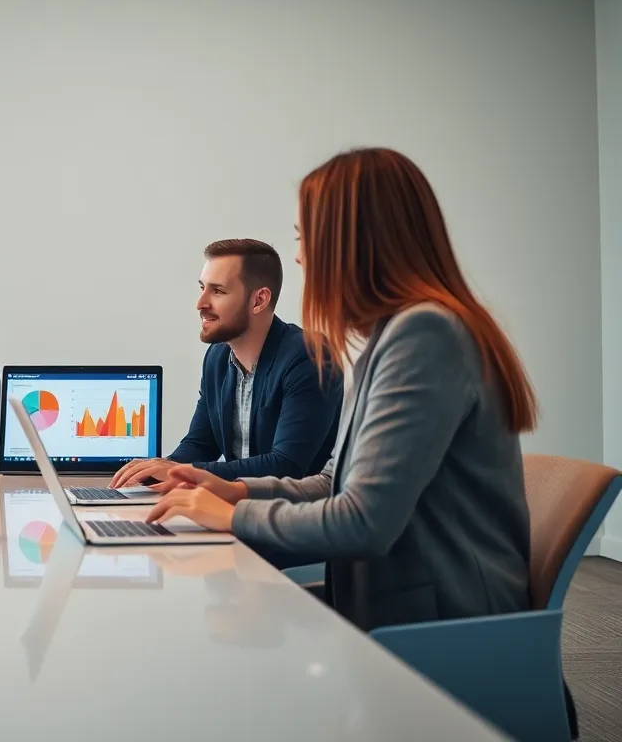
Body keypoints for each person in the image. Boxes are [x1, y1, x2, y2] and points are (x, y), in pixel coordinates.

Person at [142, 147, 535, 629]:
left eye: (306, 237)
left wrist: (231, 516)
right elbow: (334, 482)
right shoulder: (394, 337)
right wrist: (232, 488)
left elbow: (362, 521)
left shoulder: (425, 336)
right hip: (397, 599)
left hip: (445, 621)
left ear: (355, 242)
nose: (301, 255)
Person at [110, 239, 343, 488]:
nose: (200, 303)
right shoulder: (217, 357)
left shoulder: (309, 356)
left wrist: (182, 472)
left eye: (217, 291)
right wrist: (154, 470)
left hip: (296, 518)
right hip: (241, 510)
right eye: (202, 288)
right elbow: (201, 444)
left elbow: (286, 465)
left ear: (259, 300)